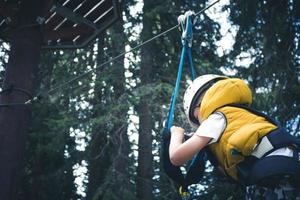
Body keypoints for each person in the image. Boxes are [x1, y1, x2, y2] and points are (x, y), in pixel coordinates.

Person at [169, 74, 300, 199]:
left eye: (196, 116)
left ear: (200, 106)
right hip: (288, 161)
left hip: (272, 172)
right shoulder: (240, 115)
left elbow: (176, 157)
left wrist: (176, 133)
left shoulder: (216, 118)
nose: (199, 122)